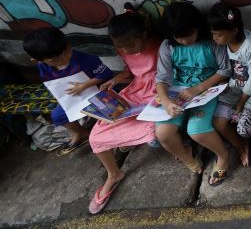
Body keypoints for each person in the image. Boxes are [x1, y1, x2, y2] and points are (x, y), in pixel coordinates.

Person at [88, 12, 159, 214]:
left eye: (131, 45)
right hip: (135, 93)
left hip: (157, 92)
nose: (126, 50)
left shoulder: (161, 46)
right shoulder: (125, 48)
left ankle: (134, 139)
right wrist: (116, 80)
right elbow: (130, 70)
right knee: (96, 136)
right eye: (121, 47)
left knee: (154, 130)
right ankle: (114, 174)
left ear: (143, 35)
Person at [155, 3, 232, 186]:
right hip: (177, 93)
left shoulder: (212, 42)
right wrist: (166, 101)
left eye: (188, 35)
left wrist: (198, 89)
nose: (184, 41)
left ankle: (222, 155)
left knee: (197, 131)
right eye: (178, 38)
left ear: (198, 27)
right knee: (163, 133)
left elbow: (225, 70)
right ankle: (187, 156)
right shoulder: (167, 46)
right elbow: (162, 77)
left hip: (206, 91)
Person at [23, 28, 112, 156]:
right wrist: (62, 98)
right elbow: (53, 85)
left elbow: (106, 74)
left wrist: (84, 86)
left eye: (67, 51)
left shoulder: (85, 59)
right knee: (57, 116)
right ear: (38, 60)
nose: (64, 58)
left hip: (97, 92)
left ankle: (112, 136)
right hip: (74, 97)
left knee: (108, 111)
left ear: (68, 44)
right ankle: (80, 132)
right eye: (55, 59)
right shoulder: (43, 68)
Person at [208, 2, 251, 167]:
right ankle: (240, 145)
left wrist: (240, 103)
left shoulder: (250, 46)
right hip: (236, 87)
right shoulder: (225, 43)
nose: (214, 38)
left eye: (218, 35)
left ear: (234, 30)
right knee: (218, 122)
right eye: (213, 34)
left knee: (243, 127)